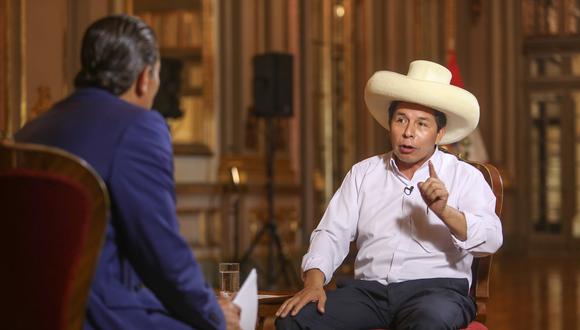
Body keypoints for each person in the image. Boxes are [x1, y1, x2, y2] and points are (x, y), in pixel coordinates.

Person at [16, 15, 240, 330]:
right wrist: (214, 315)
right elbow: (162, 254)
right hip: (104, 319)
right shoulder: (140, 127)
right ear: (144, 78)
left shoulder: (29, 131)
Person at [275, 60, 503, 329]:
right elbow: (331, 233)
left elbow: (491, 238)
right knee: (294, 320)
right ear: (389, 123)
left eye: (422, 124)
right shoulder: (364, 173)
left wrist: (445, 211)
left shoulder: (465, 176)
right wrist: (314, 282)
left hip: (437, 293)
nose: (408, 133)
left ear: (439, 133)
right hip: (369, 294)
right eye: (401, 120)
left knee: (429, 321)